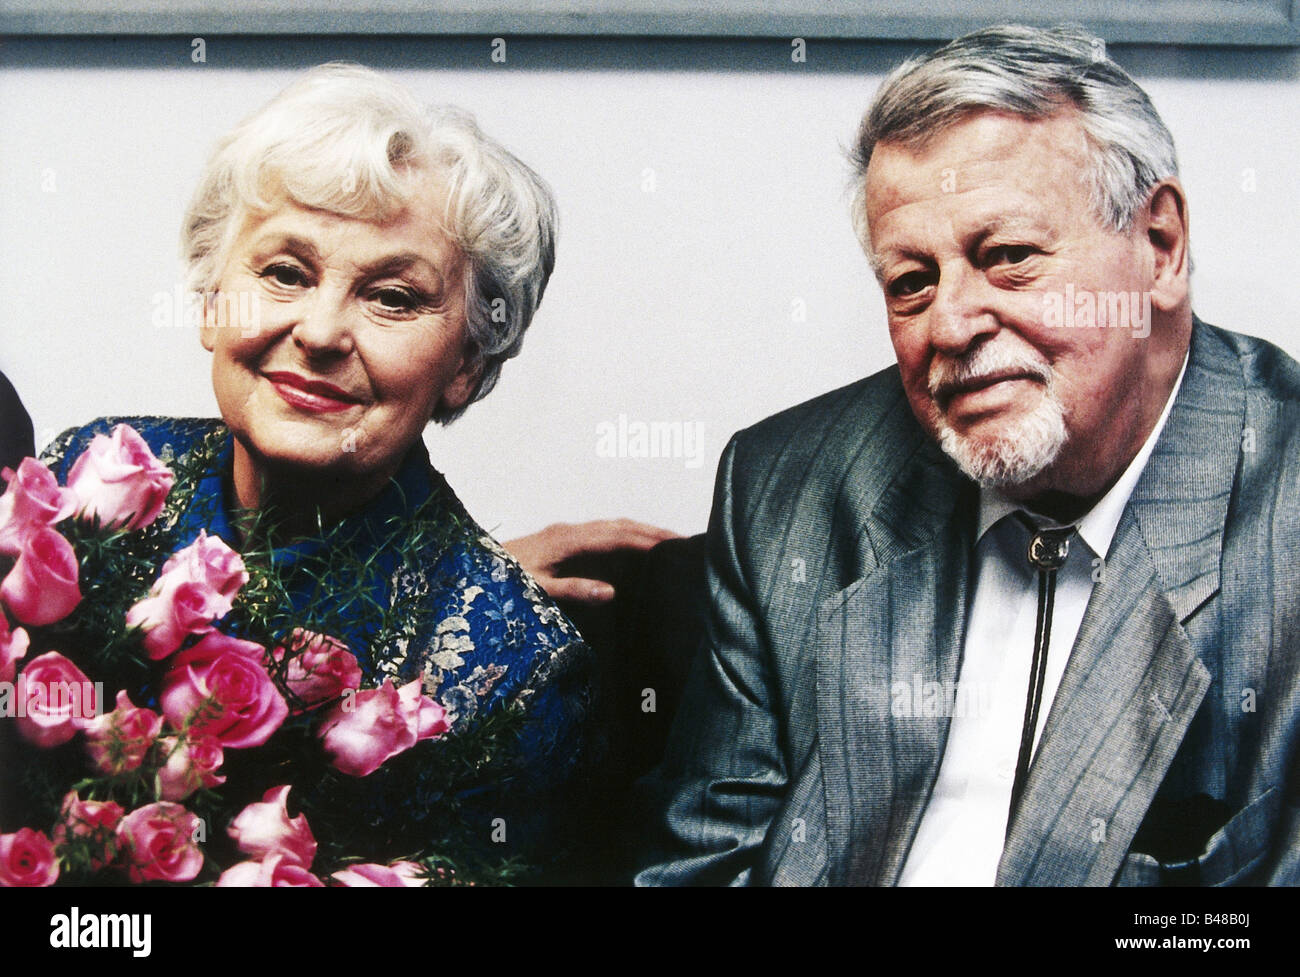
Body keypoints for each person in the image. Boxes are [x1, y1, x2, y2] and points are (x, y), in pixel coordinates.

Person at [635, 24, 1300, 886]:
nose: (949, 325)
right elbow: (700, 871)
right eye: (912, 281)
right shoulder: (786, 489)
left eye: (1009, 257)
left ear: (1161, 247)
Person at [35, 63, 597, 880]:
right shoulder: (90, 478)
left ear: (468, 362)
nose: (322, 330)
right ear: (209, 300)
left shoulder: (515, 675)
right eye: (285, 273)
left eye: (394, 297)